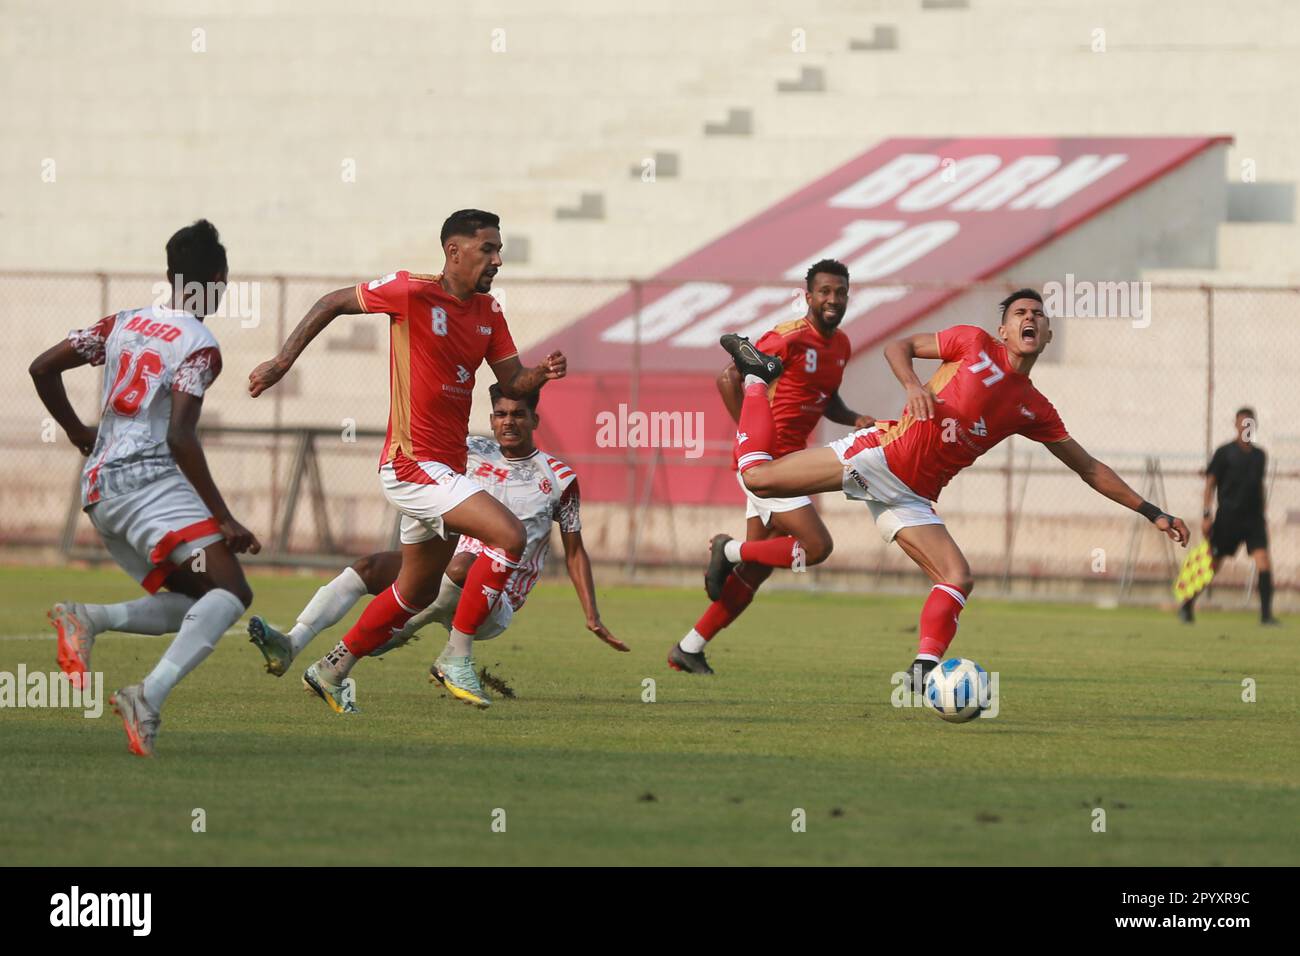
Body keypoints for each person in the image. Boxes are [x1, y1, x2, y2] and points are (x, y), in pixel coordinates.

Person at [720, 288, 1190, 690]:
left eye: (1038, 315)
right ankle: (760, 377)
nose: (1030, 318)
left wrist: (1152, 512)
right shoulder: (971, 342)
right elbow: (897, 346)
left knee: (958, 577)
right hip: (882, 454)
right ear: (1003, 330)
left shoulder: (1034, 408)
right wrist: (911, 386)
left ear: (1046, 337)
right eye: (1020, 314)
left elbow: (1089, 468)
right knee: (757, 476)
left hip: (912, 496)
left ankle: (923, 670)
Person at [247, 209, 565, 711]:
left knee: (413, 592)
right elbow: (332, 302)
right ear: (453, 252)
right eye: (489, 249)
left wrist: (541, 374)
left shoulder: (488, 312)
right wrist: (282, 361)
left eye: (499, 250)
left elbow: (511, 381)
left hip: (446, 469)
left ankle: (331, 669)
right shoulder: (410, 291)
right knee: (508, 536)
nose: (498, 260)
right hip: (410, 463)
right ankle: (455, 657)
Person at [32, 220, 260, 756]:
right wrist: (224, 518)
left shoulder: (124, 321)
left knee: (192, 600)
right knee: (232, 593)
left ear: (168, 275)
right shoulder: (200, 344)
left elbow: (42, 368)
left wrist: (76, 431)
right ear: (220, 280)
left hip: (99, 488)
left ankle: (88, 619)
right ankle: (146, 697)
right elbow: (181, 436)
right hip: (147, 481)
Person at [247, 385, 628, 682]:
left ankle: (407, 629)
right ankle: (292, 643)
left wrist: (592, 615)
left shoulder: (560, 478)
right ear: (492, 419)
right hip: (448, 569)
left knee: (461, 565)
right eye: (500, 414)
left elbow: (575, 551)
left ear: (535, 420)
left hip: (497, 601)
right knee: (369, 566)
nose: (508, 422)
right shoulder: (469, 450)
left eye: (518, 414)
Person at [669, 259, 873, 675]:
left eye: (840, 292)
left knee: (758, 568)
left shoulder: (842, 345)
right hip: (771, 464)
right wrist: (752, 442)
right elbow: (729, 376)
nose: (833, 299)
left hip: (793, 463)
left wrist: (853, 418)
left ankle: (688, 649)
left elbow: (825, 397)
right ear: (809, 295)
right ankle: (726, 549)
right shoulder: (788, 337)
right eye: (825, 292)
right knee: (817, 547)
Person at [1179, 407, 1279, 625]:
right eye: (1242, 423)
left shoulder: (1260, 456)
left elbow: (1258, 486)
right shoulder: (1224, 453)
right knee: (1213, 564)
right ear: (1236, 425)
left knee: (1264, 562)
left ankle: (1266, 616)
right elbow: (1210, 484)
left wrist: (1263, 514)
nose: (1246, 427)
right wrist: (1206, 515)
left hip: (1253, 520)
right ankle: (1187, 605)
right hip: (1228, 519)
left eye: (1249, 424)